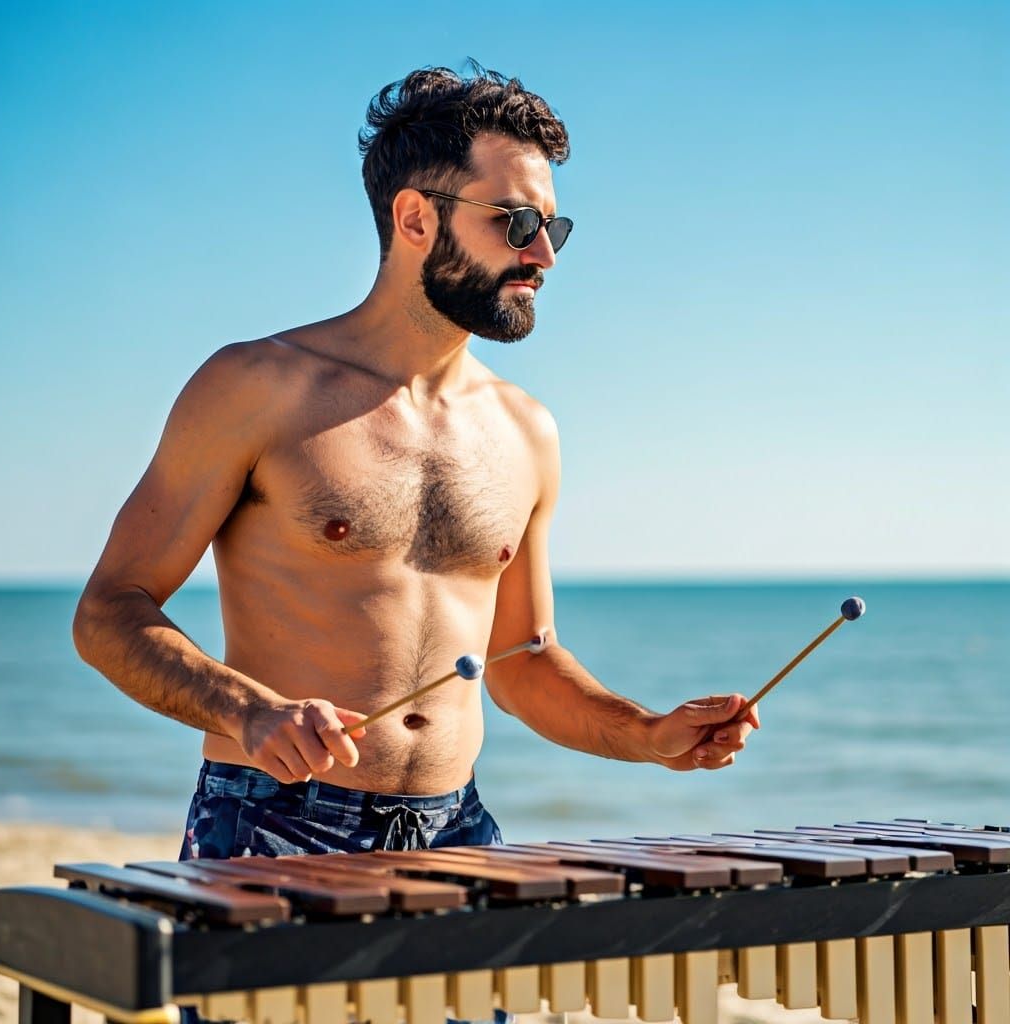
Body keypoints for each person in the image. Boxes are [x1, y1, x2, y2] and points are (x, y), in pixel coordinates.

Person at [73, 64, 759, 865]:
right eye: (514, 223)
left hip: (458, 830)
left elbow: (522, 664)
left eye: (553, 228)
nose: (544, 254)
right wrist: (248, 711)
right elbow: (108, 612)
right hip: (274, 822)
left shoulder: (525, 429)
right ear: (414, 219)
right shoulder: (257, 389)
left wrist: (645, 733)